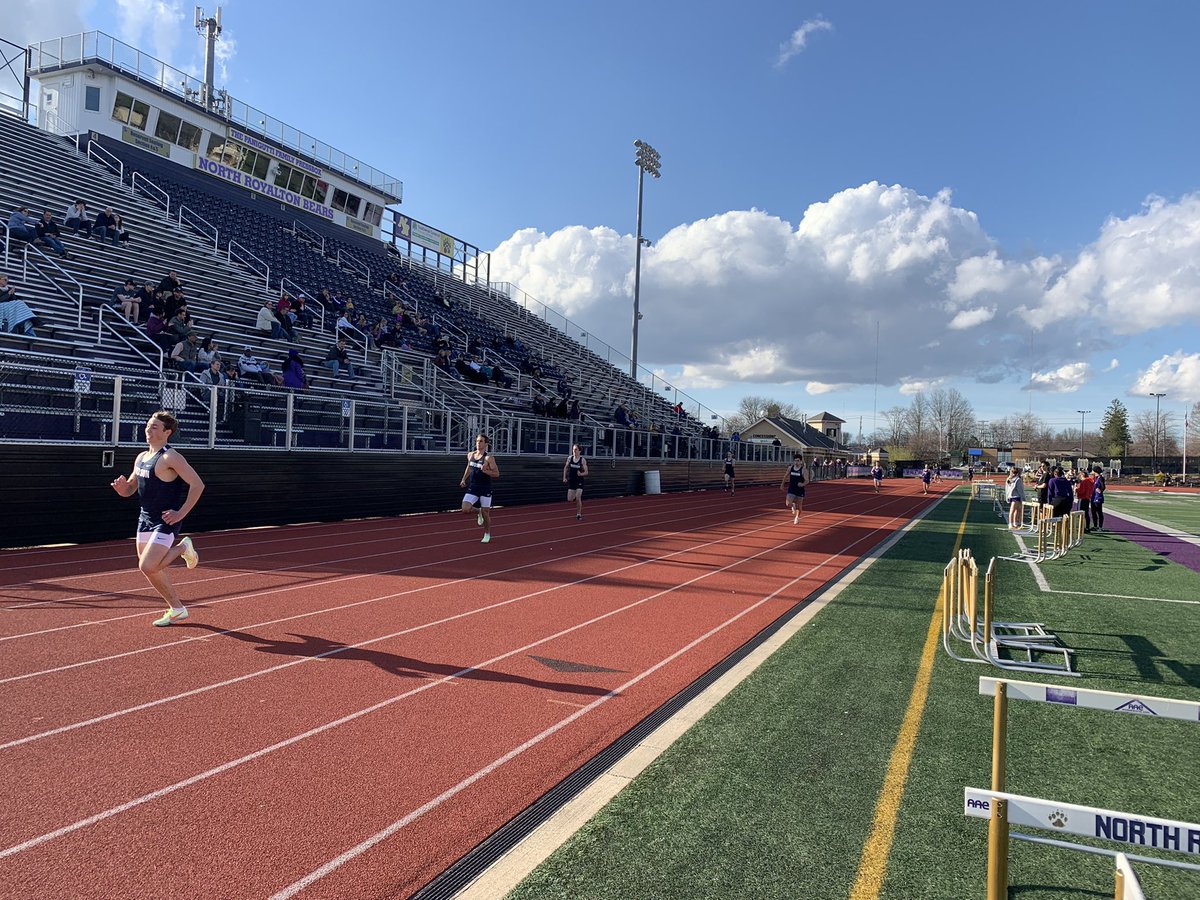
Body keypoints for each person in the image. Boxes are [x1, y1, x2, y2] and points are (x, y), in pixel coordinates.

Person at [109, 411, 204, 626]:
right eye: (148, 425)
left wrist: (181, 513)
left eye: (154, 427)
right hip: (145, 518)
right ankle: (177, 609)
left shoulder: (171, 457)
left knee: (147, 565)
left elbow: (198, 484)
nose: (148, 430)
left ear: (167, 432)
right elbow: (130, 489)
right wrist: (122, 489)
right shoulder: (141, 457)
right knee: (152, 569)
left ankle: (183, 548)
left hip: (166, 520)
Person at [460, 433, 500, 543]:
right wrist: (463, 479)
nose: (478, 443)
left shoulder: (489, 458)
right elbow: (469, 467)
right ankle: (479, 511)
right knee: (465, 509)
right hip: (473, 487)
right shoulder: (470, 455)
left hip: (485, 488)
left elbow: (497, 474)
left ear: (486, 444)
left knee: (486, 513)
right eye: (477, 441)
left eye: (481, 441)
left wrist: (486, 471)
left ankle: (487, 534)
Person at [563, 443, 589, 520]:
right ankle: (575, 494)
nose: (574, 451)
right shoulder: (569, 458)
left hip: (579, 480)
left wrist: (581, 474)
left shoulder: (582, 460)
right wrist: (564, 477)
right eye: (573, 449)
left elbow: (586, 472)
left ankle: (578, 514)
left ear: (579, 451)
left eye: (576, 449)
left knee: (578, 497)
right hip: (572, 480)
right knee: (570, 499)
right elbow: (565, 468)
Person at [780, 453, 808, 525]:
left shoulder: (803, 470)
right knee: (788, 503)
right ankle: (793, 505)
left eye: (798, 461)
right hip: (791, 488)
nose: (796, 462)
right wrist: (782, 484)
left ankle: (797, 517)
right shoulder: (790, 468)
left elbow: (807, 480)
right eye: (795, 461)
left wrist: (802, 484)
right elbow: (785, 476)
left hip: (799, 490)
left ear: (801, 461)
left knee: (799, 505)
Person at [1075, 466, 1095, 533]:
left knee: (1080, 513)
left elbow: (1082, 491)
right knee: (1086, 513)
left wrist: (1076, 490)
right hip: (1087, 498)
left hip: (1082, 498)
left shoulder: (1084, 481)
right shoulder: (1089, 481)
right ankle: (1087, 527)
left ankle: (1081, 527)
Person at [1090, 465, 1107, 532]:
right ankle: (1095, 526)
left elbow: (1103, 486)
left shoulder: (1100, 478)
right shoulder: (1095, 478)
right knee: (1093, 512)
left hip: (1098, 498)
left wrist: (1100, 490)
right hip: (1093, 497)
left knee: (1099, 512)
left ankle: (1100, 527)